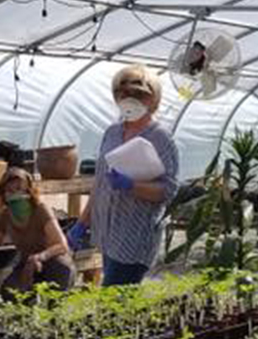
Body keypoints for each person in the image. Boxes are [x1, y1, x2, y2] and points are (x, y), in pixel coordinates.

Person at [67, 64, 179, 287]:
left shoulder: (161, 138)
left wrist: (131, 185)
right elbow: (100, 183)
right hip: (108, 235)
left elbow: (168, 190)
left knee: (113, 301)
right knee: (116, 304)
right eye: (123, 93)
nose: (130, 99)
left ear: (153, 100)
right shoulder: (112, 132)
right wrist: (82, 224)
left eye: (139, 95)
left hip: (135, 236)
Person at [0, 167, 75, 299]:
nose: (15, 195)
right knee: (10, 291)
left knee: (60, 273)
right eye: (9, 191)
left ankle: (55, 313)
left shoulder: (40, 210)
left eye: (19, 190)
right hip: (27, 263)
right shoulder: (6, 215)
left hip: (52, 260)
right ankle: (28, 312)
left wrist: (40, 257)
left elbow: (62, 245)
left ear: (29, 191)